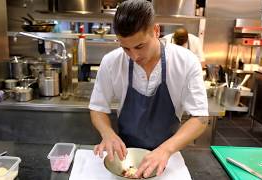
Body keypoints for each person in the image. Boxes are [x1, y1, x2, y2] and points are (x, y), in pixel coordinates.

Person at [89, 0, 208, 178]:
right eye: (126, 48)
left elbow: (200, 118)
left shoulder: (186, 61)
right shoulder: (111, 62)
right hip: (125, 157)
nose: (134, 56)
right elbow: (97, 108)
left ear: (156, 31)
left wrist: (166, 150)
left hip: (168, 156)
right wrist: (108, 133)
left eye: (140, 46)